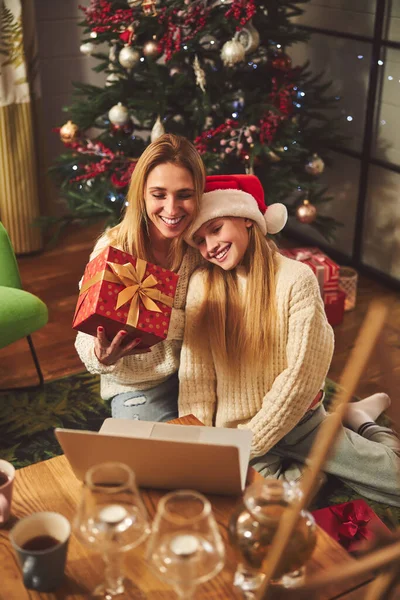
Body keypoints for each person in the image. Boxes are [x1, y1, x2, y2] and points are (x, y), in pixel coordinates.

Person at [178, 173, 400, 506]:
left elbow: (300, 376)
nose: (210, 247)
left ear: (248, 220)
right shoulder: (201, 285)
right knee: (262, 505)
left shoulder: (296, 279)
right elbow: (196, 377)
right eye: (199, 240)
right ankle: (333, 446)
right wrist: (201, 440)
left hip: (299, 423)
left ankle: (363, 423)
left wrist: (247, 443)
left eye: (216, 229)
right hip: (236, 431)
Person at [75, 134, 206, 422]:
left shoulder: (203, 246)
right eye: (159, 195)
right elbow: (83, 339)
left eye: (184, 195)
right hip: (139, 384)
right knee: (148, 461)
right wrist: (100, 355)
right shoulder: (114, 248)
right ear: (142, 194)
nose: (171, 210)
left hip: (200, 377)